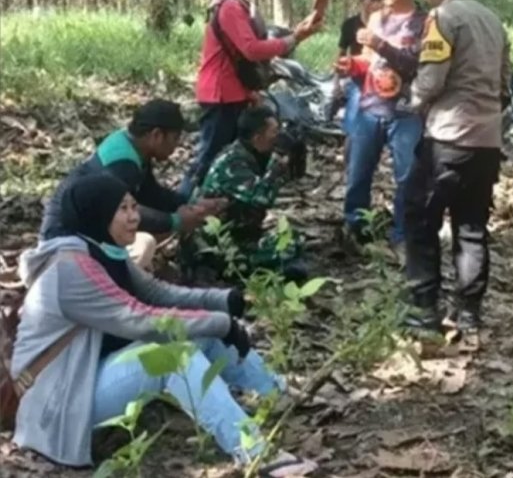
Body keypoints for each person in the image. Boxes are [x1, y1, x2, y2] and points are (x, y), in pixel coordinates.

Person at [12, 173, 316, 476]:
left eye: (134, 207)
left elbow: (156, 292)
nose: (135, 217)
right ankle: (256, 454)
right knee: (175, 357)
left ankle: (276, 396)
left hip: (86, 377)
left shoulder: (100, 248)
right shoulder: (71, 269)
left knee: (205, 335)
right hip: (57, 405)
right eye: (123, 210)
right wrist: (220, 322)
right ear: (98, 213)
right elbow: (139, 319)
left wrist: (220, 302)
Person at [403, 0, 510, 333]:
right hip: (486, 140)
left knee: (419, 217)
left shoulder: (443, 17)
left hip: (447, 137)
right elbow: (504, 81)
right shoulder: (492, 20)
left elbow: (431, 80)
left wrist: (410, 101)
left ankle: (425, 306)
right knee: (471, 226)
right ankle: (469, 312)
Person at [180, 0, 321, 198]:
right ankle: (181, 211)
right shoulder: (230, 5)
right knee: (210, 156)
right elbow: (251, 49)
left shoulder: (237, 3)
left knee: (233, 154)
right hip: (220, 93)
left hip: (234, 91)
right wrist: (294, 39)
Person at [39, 99, 223, 270]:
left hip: (86, 232)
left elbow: (150, 193)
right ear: (157, 135)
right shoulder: (122, 162)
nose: (176, 147)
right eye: (175, 139)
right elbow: (124, 213)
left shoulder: (133, 147)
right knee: (146, 242)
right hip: (66, 242)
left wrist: (189, 205)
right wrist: (177, 221)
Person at [336, 0, 426, 250]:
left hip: (406, 111)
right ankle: (355, 229)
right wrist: (351, 65)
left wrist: (379, 44)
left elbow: (415, 65)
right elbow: (369, 62)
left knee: (408, 176)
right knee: (358, 172)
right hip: (370, 106)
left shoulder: (424, 22)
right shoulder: (376, 18)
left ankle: (403, 235)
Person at [183, 106, 306, 282]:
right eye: (274, 133)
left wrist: (295, 153)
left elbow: (294, 177)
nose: (278, 137)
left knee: (293, 239)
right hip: (215, 244)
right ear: (257, 138)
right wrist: (278, 160)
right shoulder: (233, 162)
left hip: (241, 235)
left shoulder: (253, 153)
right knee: (289, 249)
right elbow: (263, 198)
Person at [335, 0, 384, 159]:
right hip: (356, 78)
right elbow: (341, 52)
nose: (376, 3)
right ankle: (351, 165)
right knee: (353, 124)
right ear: (362, 0)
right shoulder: (350, 25)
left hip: (379, 79)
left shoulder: (385, 24)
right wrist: (336, 83)